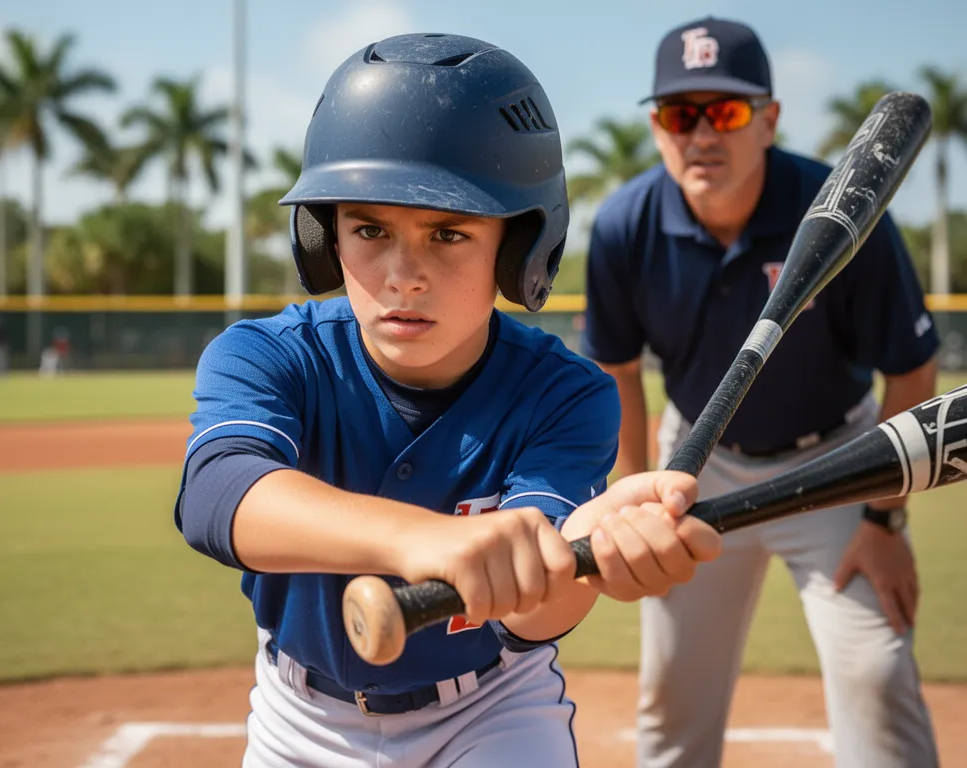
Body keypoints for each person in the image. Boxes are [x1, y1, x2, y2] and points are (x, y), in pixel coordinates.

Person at [174, 33, 722, 768]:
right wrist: (420, 539)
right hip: (298, 720)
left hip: (490, 710)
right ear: (324, 236)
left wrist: (591, 546)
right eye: (369, 229)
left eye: (449, 232)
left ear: (519, 245)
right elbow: (217, 494)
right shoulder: (271, 355)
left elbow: (531, 618)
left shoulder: (565, 394)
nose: (404, 274)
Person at [582, 16, 941, 768]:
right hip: (694, 463)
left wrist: (885, 517)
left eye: (728, 112)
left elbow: (910, 370)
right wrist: (634, 496)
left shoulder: (845, 214)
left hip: (839, 462)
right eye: (682, 115)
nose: (702, 134)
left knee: (877, 673)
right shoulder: (623, 228)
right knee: (672, 698)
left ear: (770, 119)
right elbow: (617, 372)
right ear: (656, 128)